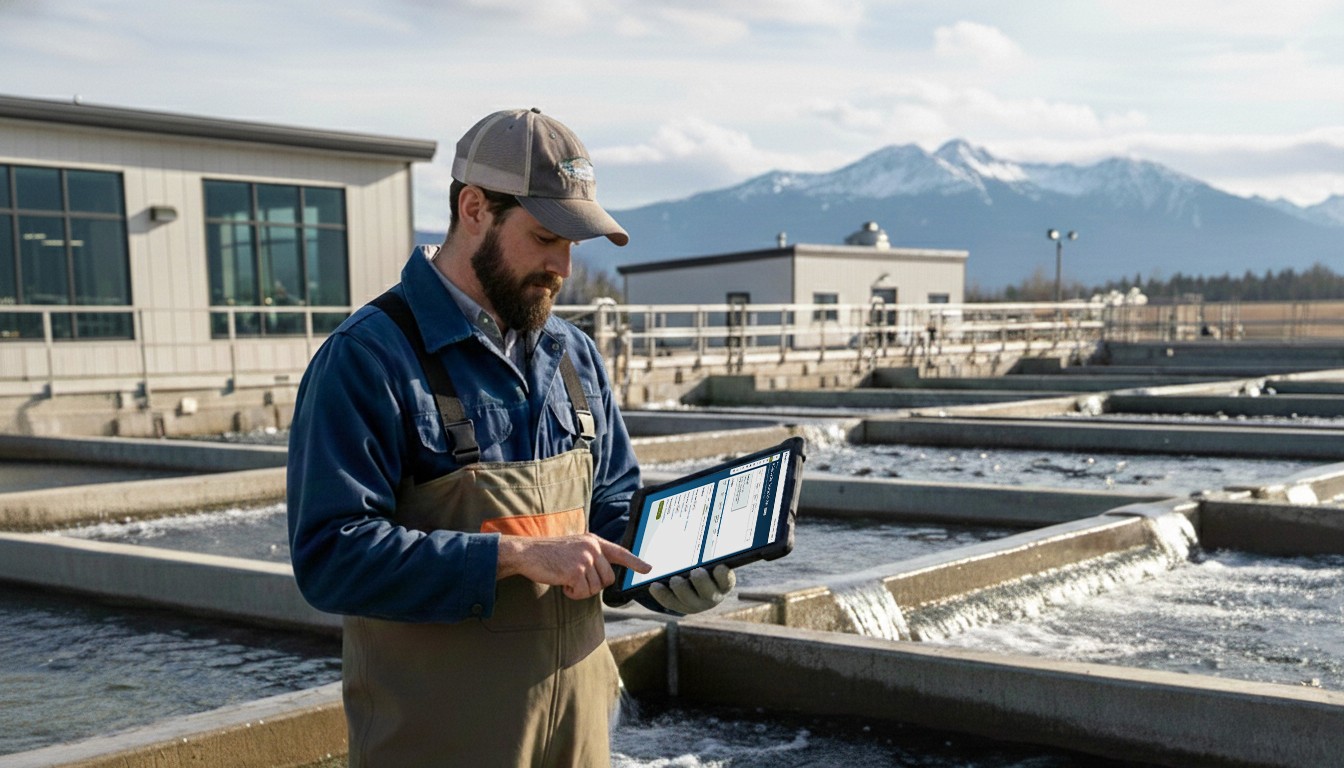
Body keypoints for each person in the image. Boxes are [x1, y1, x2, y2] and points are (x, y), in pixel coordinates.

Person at [287, 108, 735, 767]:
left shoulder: (575, 356)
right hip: (436, 747)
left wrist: (667, 568)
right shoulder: (368, 359)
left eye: (574, 245)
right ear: (474, 209)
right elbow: (331, 557)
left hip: (577, 743)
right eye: (545, 237)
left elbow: (608, 509)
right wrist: (514, 557)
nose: (563, 267)